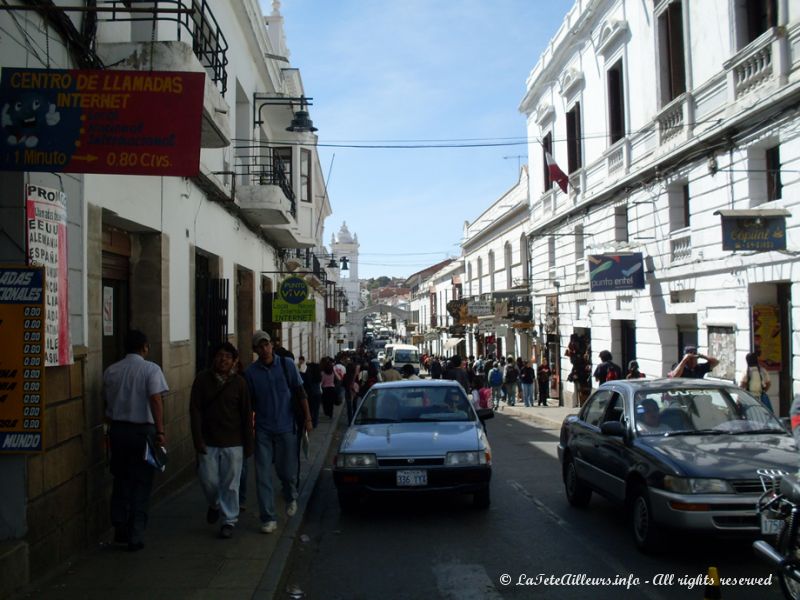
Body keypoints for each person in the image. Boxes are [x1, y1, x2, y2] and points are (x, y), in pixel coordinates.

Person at [103, 329, 169, 551]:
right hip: (143, 433)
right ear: (145, 347)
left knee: (121, 478)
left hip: (118, 431)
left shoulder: (111, 371)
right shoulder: (151, 369)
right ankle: (136, 534)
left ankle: (119, 524)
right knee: (141, 481)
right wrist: (160, 431)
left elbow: (107, 403)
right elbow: (156, 399)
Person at [245, 330, 312, 534]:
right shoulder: (250, 373)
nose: (264, 349)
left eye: (266, 344)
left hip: (286, 426)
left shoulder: (286, 365)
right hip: (263, 429)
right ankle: (268, 517)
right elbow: (249, 404)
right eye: (260, 346)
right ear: (255, 350)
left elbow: (300, 392)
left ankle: (291, 495)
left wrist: (308, 418)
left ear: (272, 345)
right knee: (262, 474)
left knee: (286, 470)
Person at [189, 342, 253, 539]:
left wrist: (248, 443)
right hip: (208, 440)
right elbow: (195, 410)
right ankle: (215, 504)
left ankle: (229, 521)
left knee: (231, 484)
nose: (223, 359)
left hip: (234, 442)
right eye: (219, 355)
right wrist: (197, 439)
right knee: (208, 480)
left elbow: (245, 413)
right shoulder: (202, 380)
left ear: (234, 361)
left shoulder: (240, 384)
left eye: (227, 356)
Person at [301, 361, 323, 428]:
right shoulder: (318, 375)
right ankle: (315, 423)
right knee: (316, 410)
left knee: (310, 409)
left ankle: (310, 422)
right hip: (318, 393)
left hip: (310, 394)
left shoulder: (308, 374)